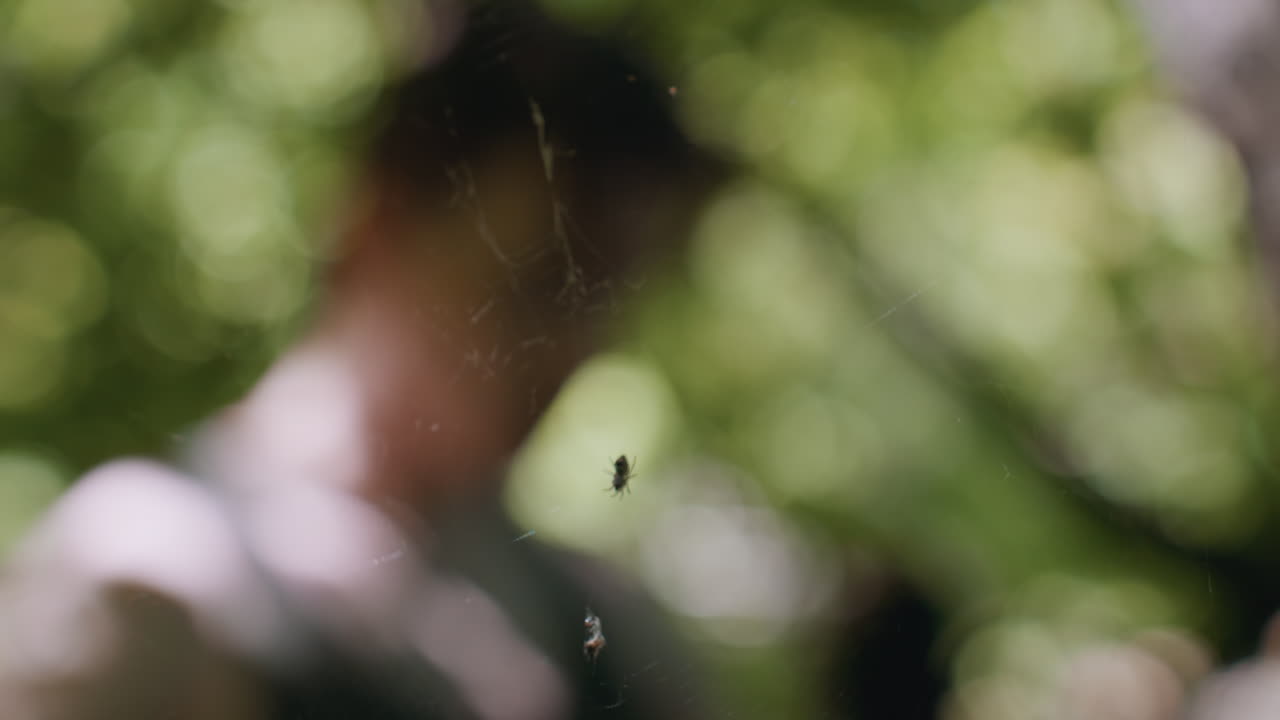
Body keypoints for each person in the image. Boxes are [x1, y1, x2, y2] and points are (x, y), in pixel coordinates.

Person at [0, 2, 724, 718]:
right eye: (533, 286)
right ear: (379, 222)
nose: (571, 348)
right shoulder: (152, 569)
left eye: (605, 301)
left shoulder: (585, 614)